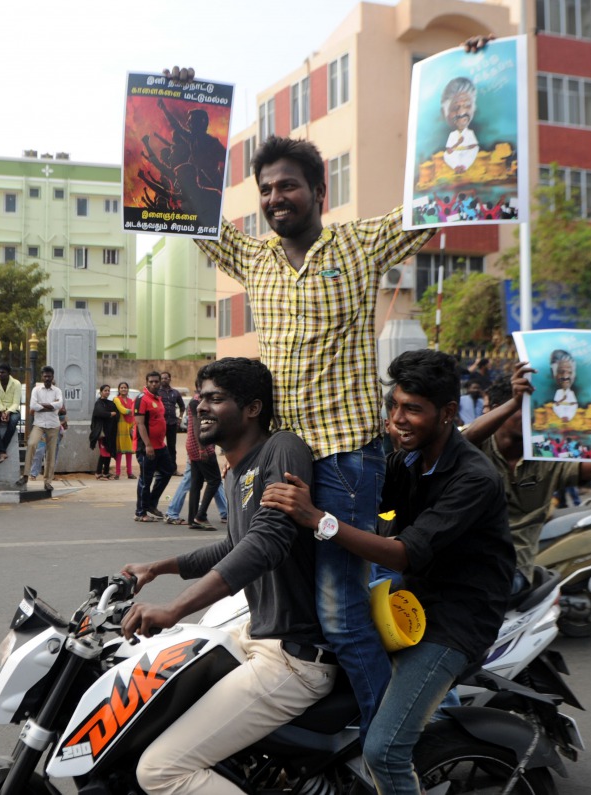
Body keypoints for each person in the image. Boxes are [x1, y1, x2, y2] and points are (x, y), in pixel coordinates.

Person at [183, 124, 433, 733]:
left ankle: (389, 744)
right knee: (294, 610)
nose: (276, 198)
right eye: (267, 189)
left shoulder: (359, 244)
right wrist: (180, 106)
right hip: (281, 458)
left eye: (288, 186)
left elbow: (433, 206)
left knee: (340, 615)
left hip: (344, 460)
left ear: (320, 191)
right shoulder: (253, 257)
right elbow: (185, 207)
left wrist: (473, 106)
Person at [261, 349, 515, 793]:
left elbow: (402, 554)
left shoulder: (475, 479)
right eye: (393, 405)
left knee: (384, 749)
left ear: (447, 413)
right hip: (408, 600)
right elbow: (368, 497)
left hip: (455, 620)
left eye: (412, 409)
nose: (397, 419)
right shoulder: (410, 460)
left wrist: (319, 519)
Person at [123, 357, 336, 795]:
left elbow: (266, 542)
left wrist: (173, 609)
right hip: (256, 635)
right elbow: (233, 545)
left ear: (253, 408)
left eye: (215, 398)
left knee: (160, 771)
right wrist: (157, 568)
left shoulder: (282, 448)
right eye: (200, 397)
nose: (200, 407)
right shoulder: (238, 471)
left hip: (292, 658)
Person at [461, 364, 591, 591]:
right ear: (500, 410)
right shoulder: (475, 444)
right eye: (524, 407)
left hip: (512, 566)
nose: (534, 416)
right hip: (462, 557)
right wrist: (515, 401)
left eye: (536, 408)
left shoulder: (550, 452)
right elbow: (456, 443)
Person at [133, 371, 175, 521]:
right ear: (146, 382)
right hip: (147, 447)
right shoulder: (142, 399)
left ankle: (151, 503)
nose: (154, 384)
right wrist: (148, 445)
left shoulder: (158, 398)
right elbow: (140, 424)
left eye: (156, 381)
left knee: (168, 471)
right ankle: (140, 513)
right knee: (146, 480)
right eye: (151, 382)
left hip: (160, 446)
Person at [185, 387, 223, 530]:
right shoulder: (198, 403)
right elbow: (197, 426)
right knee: (215, 480)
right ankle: (200, 516)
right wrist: (202, 448)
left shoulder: (196, 401)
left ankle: (193, 518)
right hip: (201, 447)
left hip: (193, 446)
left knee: (196, 483)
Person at [23, 366, 63, 490]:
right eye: (45, 376)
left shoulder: (57, 391)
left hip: (53, 425)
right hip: (39, 424)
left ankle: (47, 482)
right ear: (42, 377)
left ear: (52, 377)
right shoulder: (36, 390)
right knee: (31, 444)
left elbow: (59, 405)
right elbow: (33, 406)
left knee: (50, 454)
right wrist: (51, 406)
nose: (47, 378)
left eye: (49, 376)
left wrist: (41, 406)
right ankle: (25, 475)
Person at [441, 76, 479, 173]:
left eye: (467, 106)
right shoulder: (452, 135)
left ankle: (464, 166)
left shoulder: (470, 133)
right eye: (455, 108)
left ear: (474, 108)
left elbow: (474, 146)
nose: (461, 113)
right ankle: (457, 167)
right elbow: (449, 151)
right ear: (444, 112)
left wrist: (466, 148)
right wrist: (458, 144)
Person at [0, 363, 22, 463]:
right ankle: (2, 452)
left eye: (3, 372)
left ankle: (1, 450)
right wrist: (3, 411)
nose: (0, 374)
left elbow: (16, 402)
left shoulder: (16, 383)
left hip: (13, 410)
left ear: (9, 373)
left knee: (13, 421)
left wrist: (8, 412)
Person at [90, 384, 117, 479]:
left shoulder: (110, 403)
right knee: (104, 453)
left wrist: (109, 414)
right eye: (105, 390)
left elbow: (116, 413)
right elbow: (99, 413)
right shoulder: (98, 403)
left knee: (108, 452)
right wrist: (110, 414)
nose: (107, 392)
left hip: (109, 433)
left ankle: (105, 472)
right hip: (102, 433)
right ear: (101, 392)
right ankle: (98, 473)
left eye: (108, 390)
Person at [158, 371, 185, 469]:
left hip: (172, 423)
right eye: (162, 378)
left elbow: (182, 407)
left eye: (166, 378)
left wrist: (180, 418)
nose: (164, 380)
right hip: (160, 423)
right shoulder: (157, 392)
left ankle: (173, 469)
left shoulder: (175, 392)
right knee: (158, 446)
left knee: (172, 447)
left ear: (169, 379)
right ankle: (159, 469)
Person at [113, 381, 136, 478]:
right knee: (119, 451)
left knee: (129, 451)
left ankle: (129, 473)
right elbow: (122, 410)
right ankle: (117, 473)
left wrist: (133, 427)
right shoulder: (116, 399)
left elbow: (134, 416)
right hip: (120, 427)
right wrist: (133, 411)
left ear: (127, 389)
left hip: (129, 427)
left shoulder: (131, 400)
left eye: (125, 387)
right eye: (121, 387)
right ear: (119, 389)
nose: (123, 389)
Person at [548, 349, 579, 421]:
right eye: (561, 372)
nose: (566, 377)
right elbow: (556, 404)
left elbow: (574, 405)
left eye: (570, 372)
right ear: (554, 374)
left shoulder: (571, 393)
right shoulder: (557, 392)